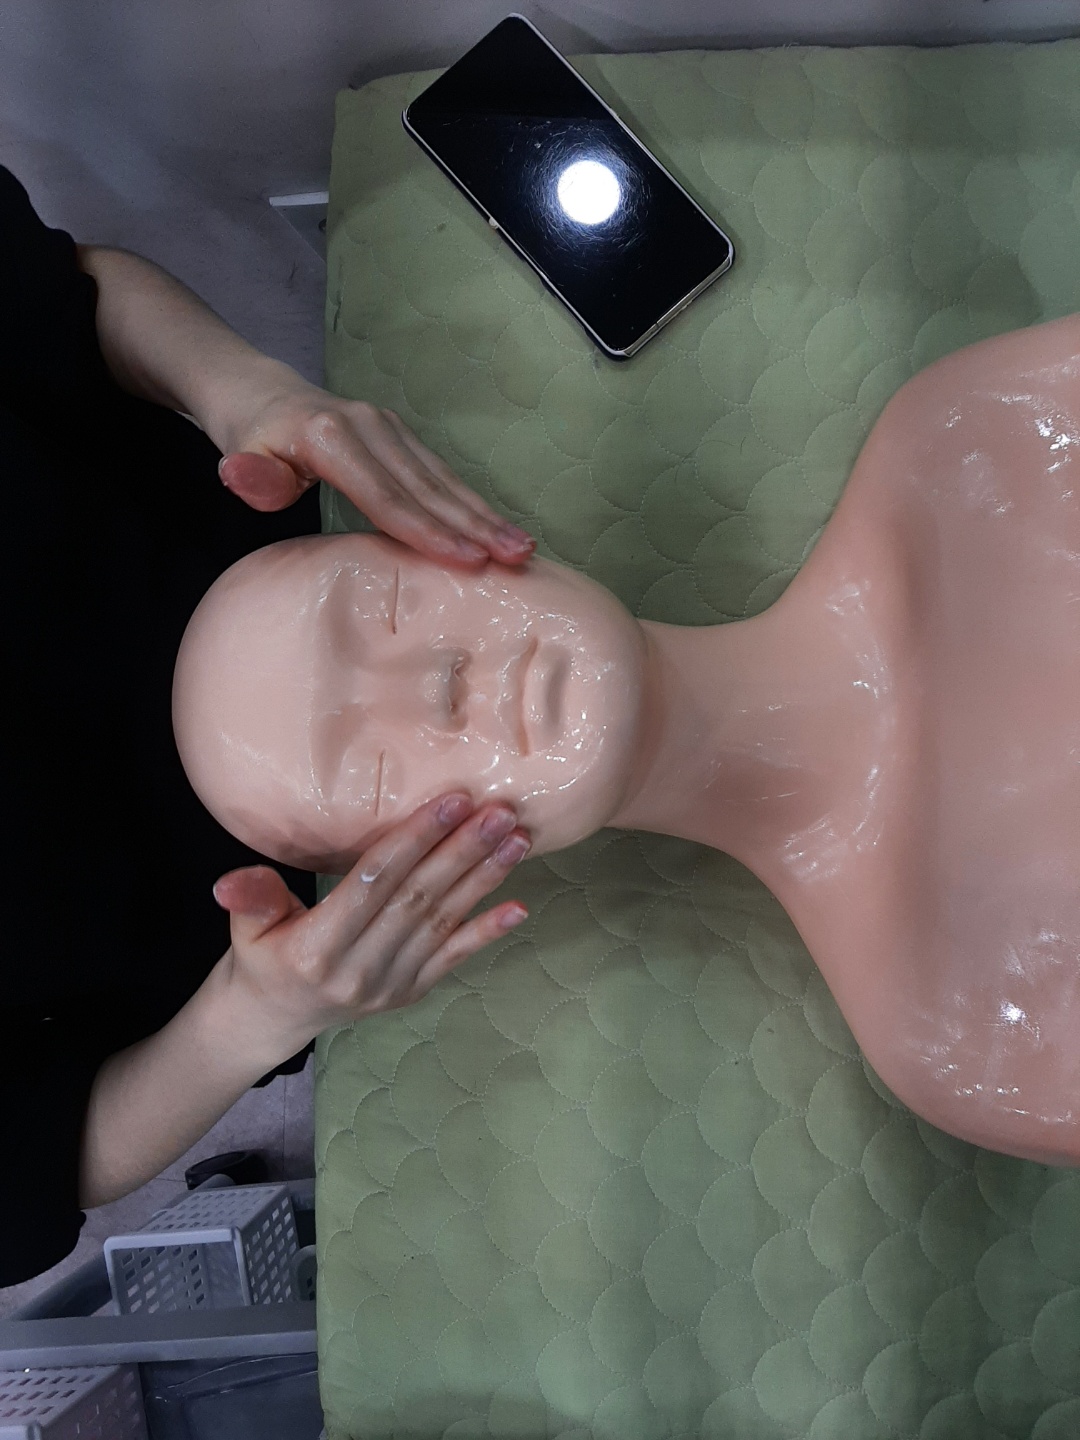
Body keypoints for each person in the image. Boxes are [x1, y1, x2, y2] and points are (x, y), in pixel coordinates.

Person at [173, 314, 1080, 1168]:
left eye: (389, 607)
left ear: (428, 514)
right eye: (376, 772)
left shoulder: (976, 442)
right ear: (412, 888)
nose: (432, 686)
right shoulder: (966, 1025)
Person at [0, 164, 537, 1288]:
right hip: (309, 929)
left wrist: (246, 395)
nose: (445, 697)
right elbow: (44, 1160)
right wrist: (253, 1017)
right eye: (362, 748)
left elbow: (66, 297)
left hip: (333, 524)